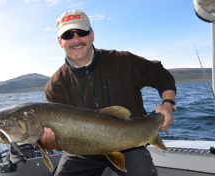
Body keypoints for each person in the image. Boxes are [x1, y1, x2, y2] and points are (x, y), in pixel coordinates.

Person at [40, 10, 176, 176]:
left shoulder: (124, 61)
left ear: (92, 35)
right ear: (60, 41)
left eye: (82, 32)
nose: (76, 40)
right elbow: (59, 139)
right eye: (68, 35)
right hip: (82, 154)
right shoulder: (55, 87)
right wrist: (50, 143)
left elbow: (161, 76)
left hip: (130, 145)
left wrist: (168, 104)